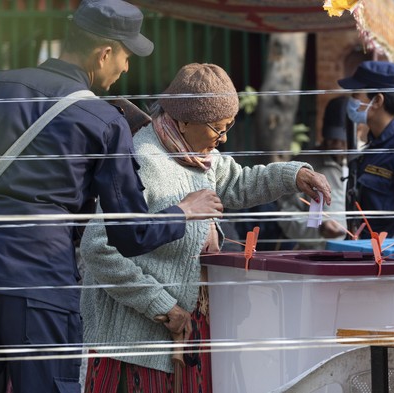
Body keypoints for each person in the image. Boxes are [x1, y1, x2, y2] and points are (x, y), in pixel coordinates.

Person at [0, 1, 221, 392]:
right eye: (125, 56)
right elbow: (129, 234)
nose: (126, 68)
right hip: (39, 283)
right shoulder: (103, 120)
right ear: (104, 52)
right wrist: (183, 212)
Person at [79, 63, 332, 393]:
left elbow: (238, 181)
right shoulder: (144, 160)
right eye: (217, 128)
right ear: (184, 120)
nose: (223, 138)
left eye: (229, 126)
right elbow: (98, 248)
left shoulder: (198, 155)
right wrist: (160, 306)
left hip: (183, 328)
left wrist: (293, 176)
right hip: (139, 342)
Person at [338, 61, 394, 238]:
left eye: (356, 94)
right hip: (364, 255)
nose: (352, 99)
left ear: (377, 100)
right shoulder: (372, 147)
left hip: (392, 258)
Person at [277, 96, 350, 249]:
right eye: (331, 139)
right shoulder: (305, 165)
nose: (336, 145)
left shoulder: (366, 161)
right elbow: (285, 214)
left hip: (361, 253)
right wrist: (320, 230)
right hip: (315, 255)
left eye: (342, 140)